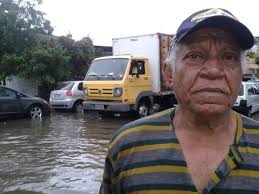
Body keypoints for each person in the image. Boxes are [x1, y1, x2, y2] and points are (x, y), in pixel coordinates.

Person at [99, 8, 259, 194]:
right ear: (169, 74)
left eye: (229, 57)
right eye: (195, 56)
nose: (214, 71)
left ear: (241, 75)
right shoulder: (126, 144)